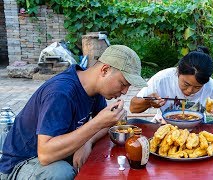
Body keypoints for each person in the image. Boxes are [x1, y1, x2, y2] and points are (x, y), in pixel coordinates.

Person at [0, 45, 146, 179]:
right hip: (21, 163)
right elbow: (45, 154)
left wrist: (87, 141)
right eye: (123, 83)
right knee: (62, 173)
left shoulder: (94, 90)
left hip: (56, 154)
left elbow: (107, 124)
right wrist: (96, 123)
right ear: (105, 70)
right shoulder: (60, 93)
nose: (125, 91)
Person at [130, 46, 213, 124]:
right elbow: (133, 108)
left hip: (197, 127)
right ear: (178, 72)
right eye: (186, 84)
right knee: (133, 122)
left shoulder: (210, 86)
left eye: (197, 87)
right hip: (164, 125)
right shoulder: (162, 79)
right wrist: (149, 102)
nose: (189, 91)